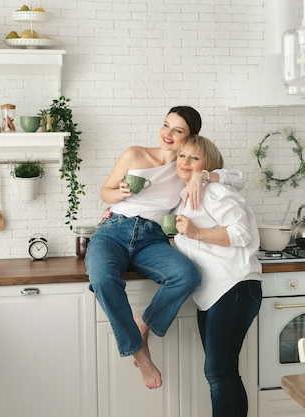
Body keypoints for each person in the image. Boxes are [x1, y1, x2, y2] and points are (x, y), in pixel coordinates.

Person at [85, 106, 243, 390]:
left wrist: (202, 176)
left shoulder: (186, 167)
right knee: (102, 278)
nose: (167, 134)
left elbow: (238, 178)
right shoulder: (135, 154)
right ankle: (139, 351)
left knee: (187, 275)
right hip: (114, 230)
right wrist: (118, 193)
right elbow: (104, 192)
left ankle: (144, 325)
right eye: (166, 125)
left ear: (190, 137)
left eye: (178, 130)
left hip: (152, 237)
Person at [173, 135, 262, 417]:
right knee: (224, 371)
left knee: (218, 371)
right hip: (214, 293)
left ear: (208, 166)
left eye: (194, 157)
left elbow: (240, 233)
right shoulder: (185, 197)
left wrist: (195, 232)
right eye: (181, 156)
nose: (185, 162)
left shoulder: (214, 191)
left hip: (234, 286)